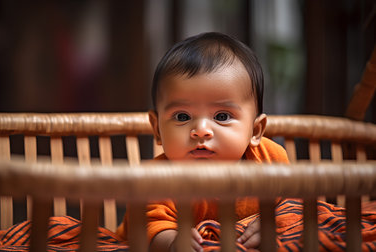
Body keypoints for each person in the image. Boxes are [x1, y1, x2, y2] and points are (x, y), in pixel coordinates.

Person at [116, 32, 289, 251]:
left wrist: (273, 222)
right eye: (182, 117)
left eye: (222, 116)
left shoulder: (270, 161)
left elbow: (293, 205)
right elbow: (147, 225)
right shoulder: (155, 179)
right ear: (157, 128)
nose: (201, 131)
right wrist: (171, 241)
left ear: (255, 131)